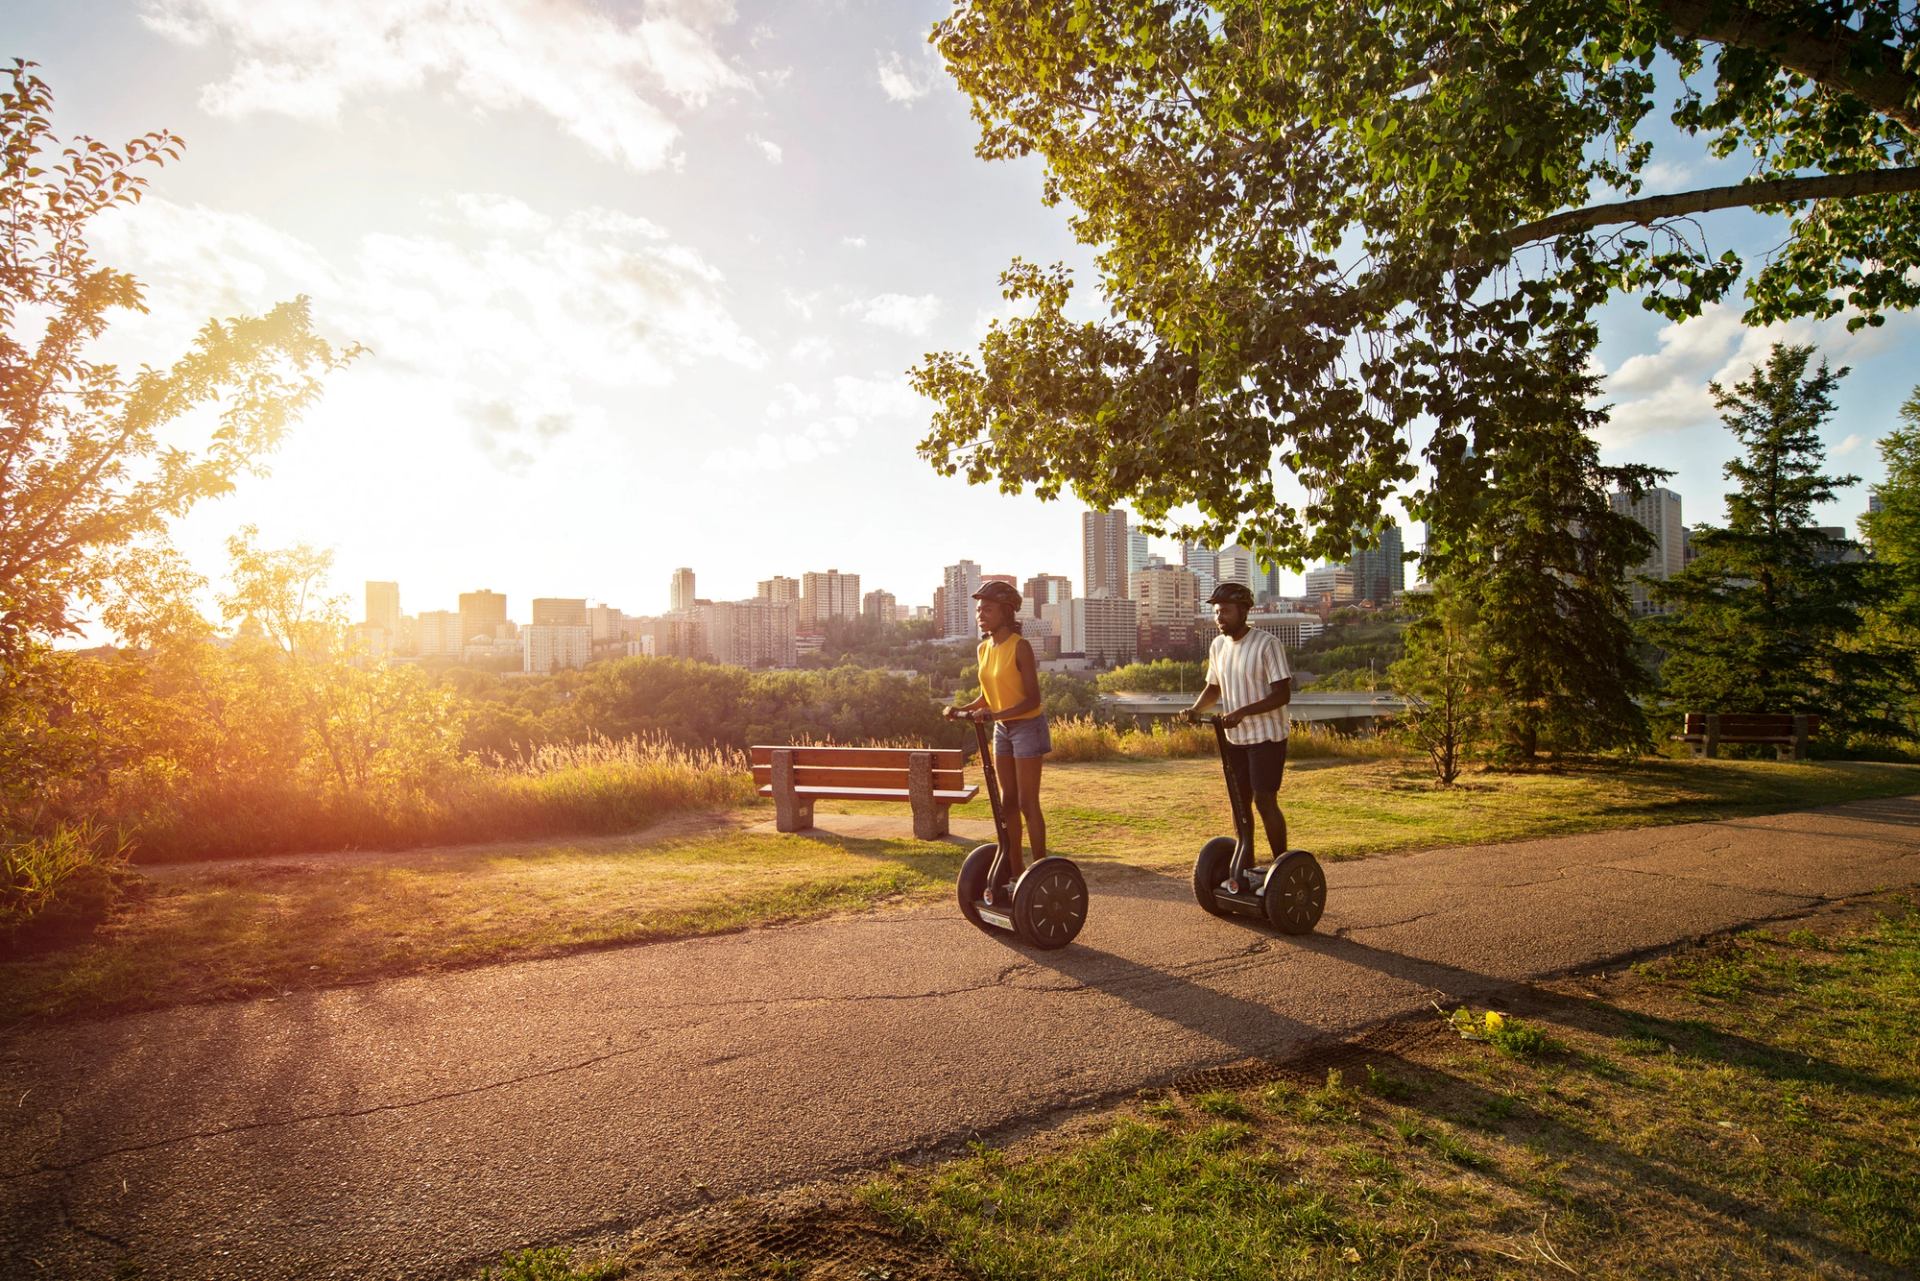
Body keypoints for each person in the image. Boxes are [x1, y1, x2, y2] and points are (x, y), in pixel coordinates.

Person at [943, 580, 1050, 901]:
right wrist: (965, 709)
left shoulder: (1020, 646)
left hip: (1027, 726)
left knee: (1028, 803)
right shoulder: (983, 649)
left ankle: (1041, 869)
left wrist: (993, 714)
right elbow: (988, 695)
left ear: (1006, 611)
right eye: (978, 610)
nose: (981, 615)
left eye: (987, 609)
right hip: (1003, 729)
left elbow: (1032, 699)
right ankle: (1017, 874)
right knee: (1007, 803)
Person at [1183, 580, 1293, 865]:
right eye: (1217, 612)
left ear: (1244, 611)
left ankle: (1282, 866)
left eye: (1226, 611)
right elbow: (1214, 688)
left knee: (1263, 801)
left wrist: (1243, 711)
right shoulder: (1218, 646)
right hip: (1235, 739)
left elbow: (1282, 695)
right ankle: (1246, 864)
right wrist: (1195, 710)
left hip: (1267, 737)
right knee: (1239, 802)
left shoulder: (1267, 645)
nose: (1219, 617)